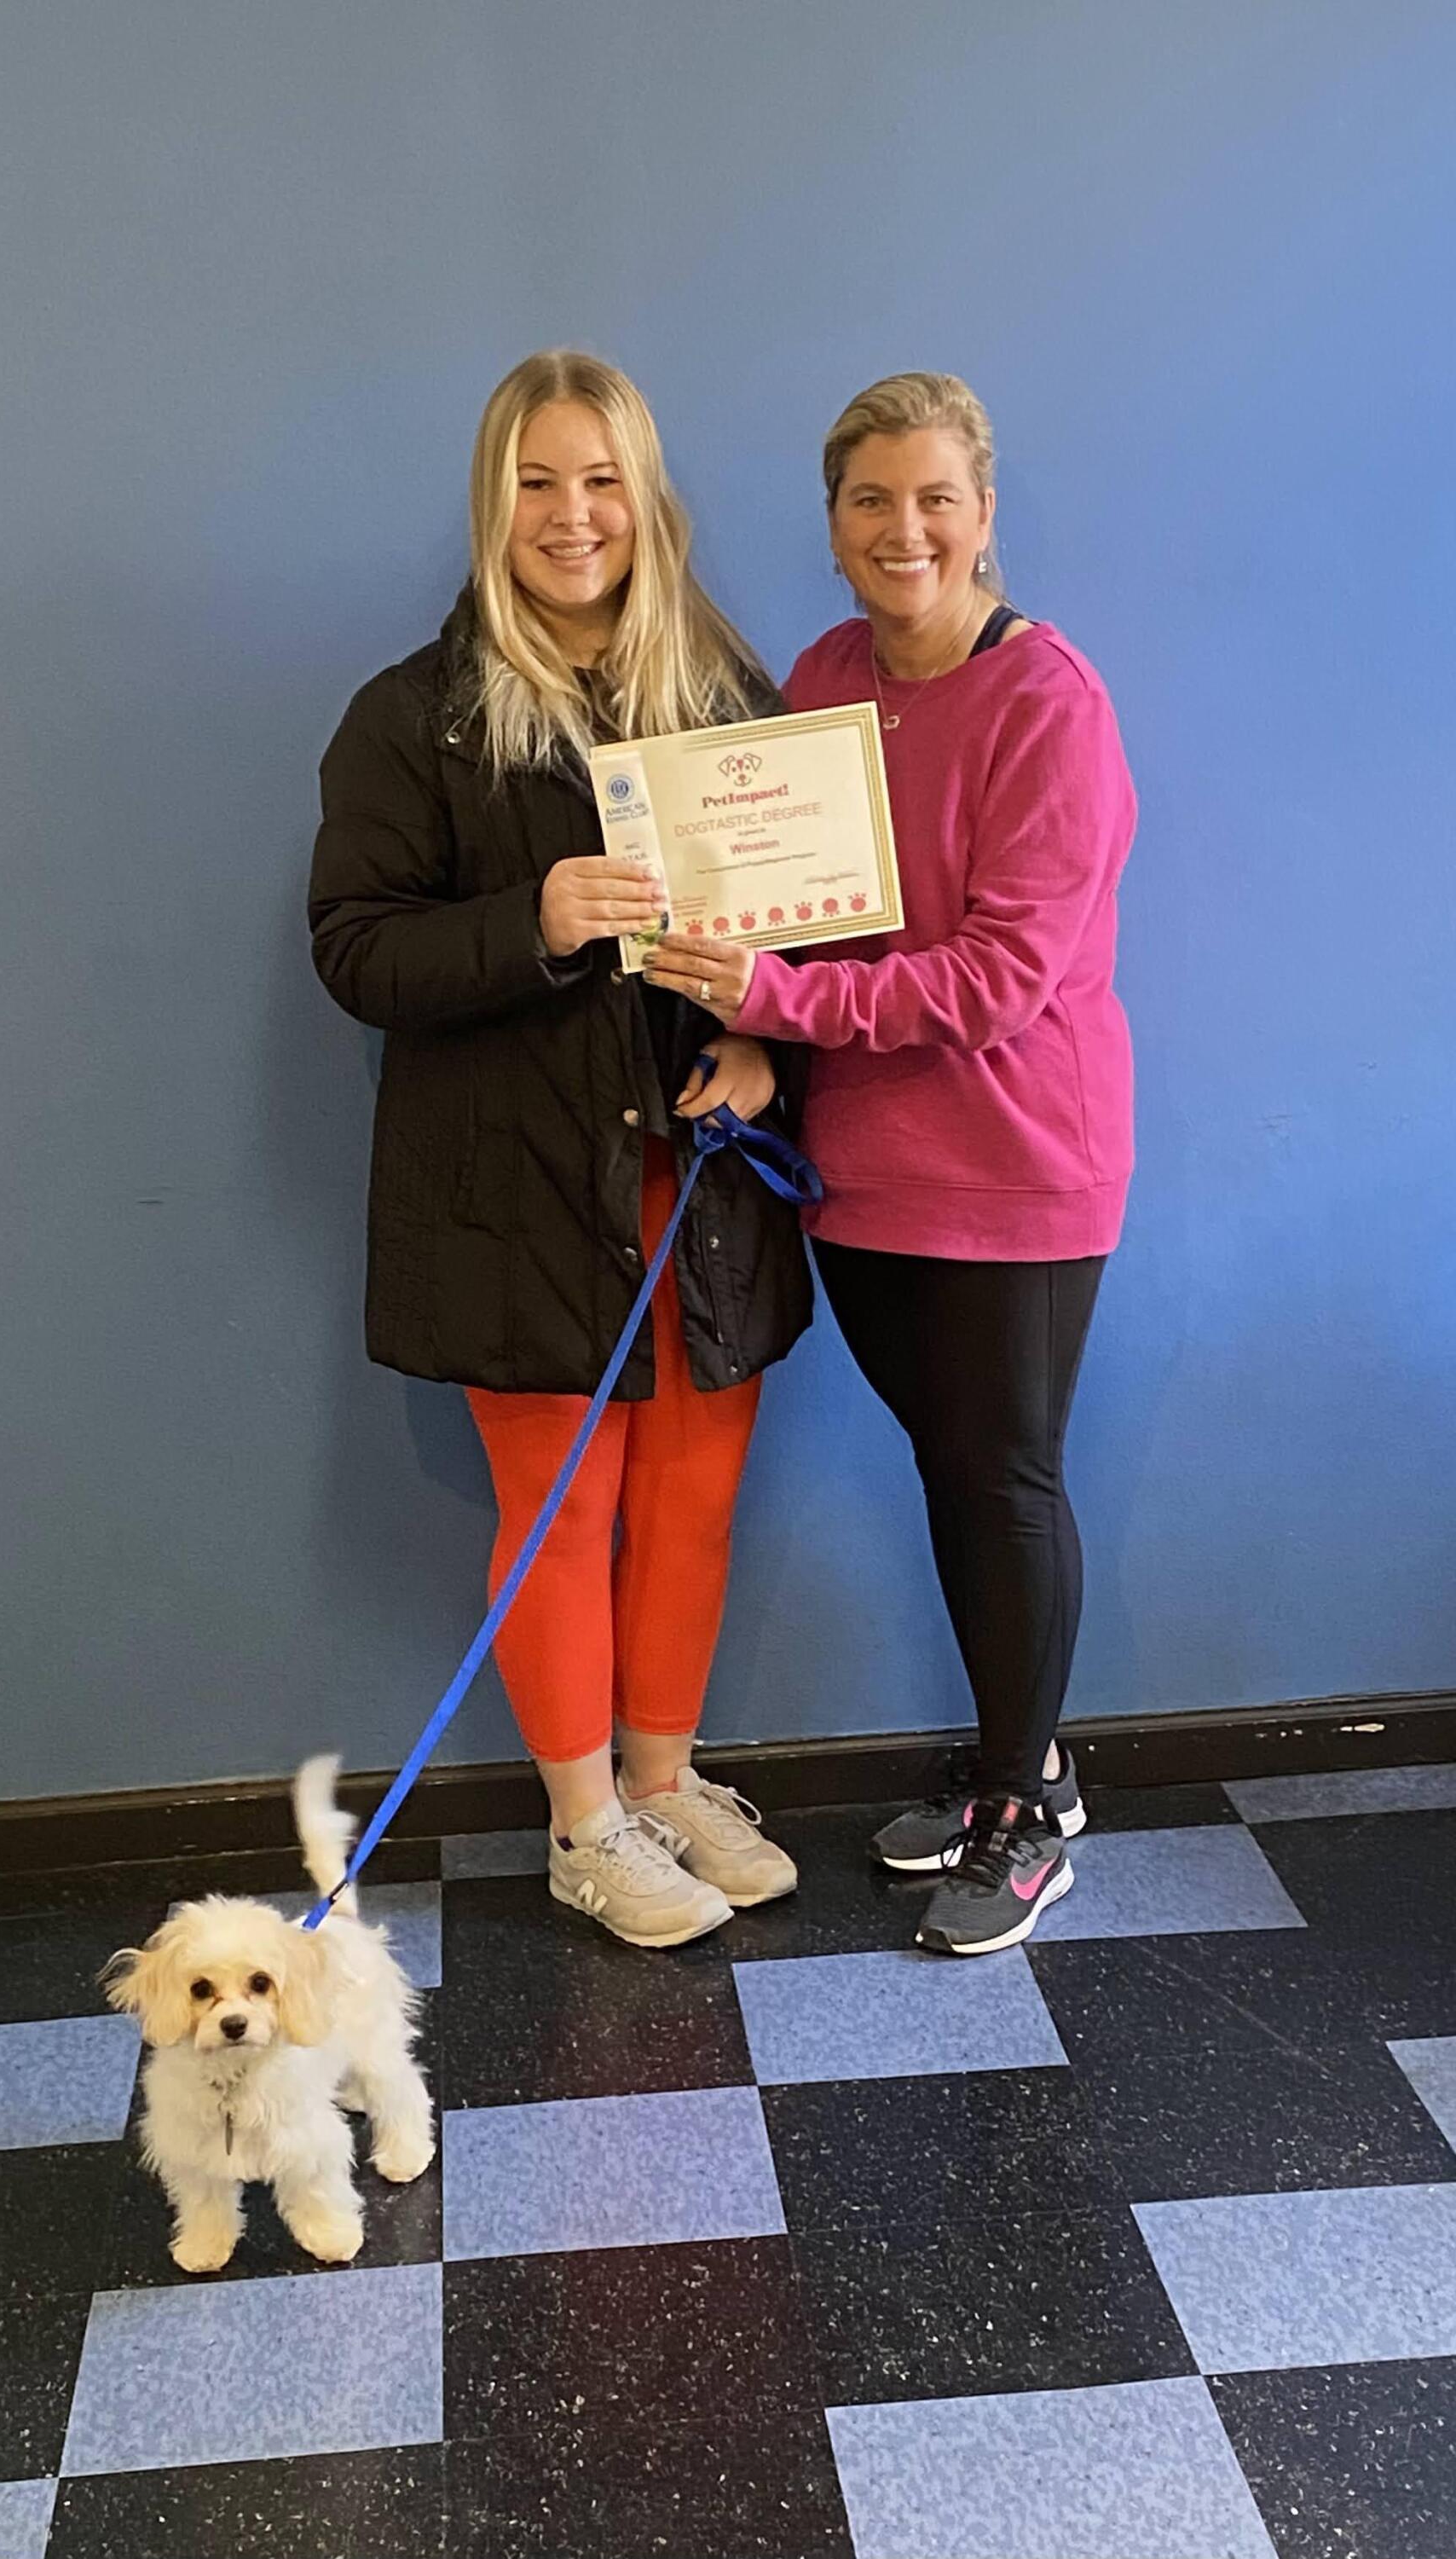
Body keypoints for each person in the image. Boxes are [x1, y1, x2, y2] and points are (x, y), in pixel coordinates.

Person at [308, 350, 811, 1948]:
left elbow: (806, 927)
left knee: (693, 1497)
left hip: (698, 1180)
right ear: (492, 501)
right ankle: (582, 1821)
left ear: (645, 497)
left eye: (601, 480)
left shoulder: (727, 695)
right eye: (537, 481)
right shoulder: (415, 715)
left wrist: (762, 1046)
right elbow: (357, 951)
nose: (572, 514)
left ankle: (663, 1784)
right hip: (515, 1191)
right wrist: (526, 924)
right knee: (559, 1511)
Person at [646, 371, 1136, 1955]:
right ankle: (1025, 1772)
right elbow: (812, 912)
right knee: (953, 1468)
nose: (904, 528)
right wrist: (767, 1040)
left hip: (1017, 1167)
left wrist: (773, 999)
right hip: (865, 1168)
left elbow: (1004, 976)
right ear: (835, 523)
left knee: (1002, 1477)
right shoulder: (828, 674)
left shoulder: (1050, 702)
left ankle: (1027, 1809)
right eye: (871, 501)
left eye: (936, 498)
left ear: (986, 514)